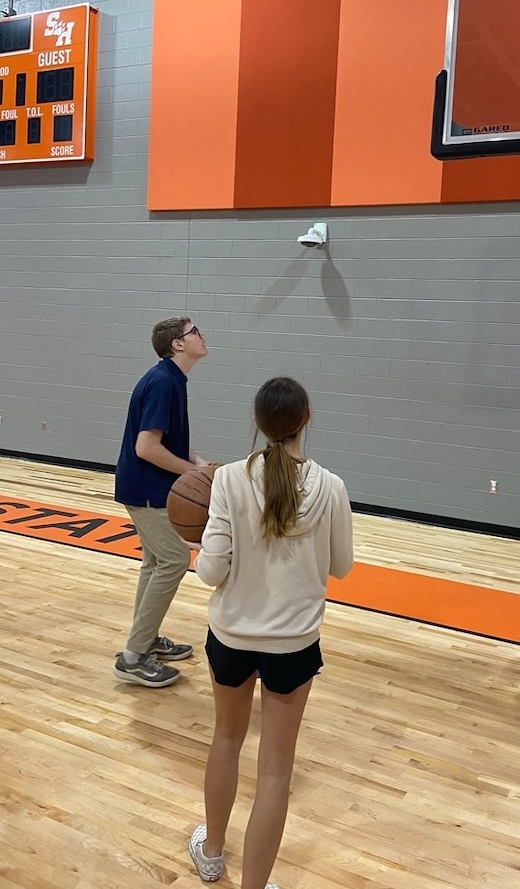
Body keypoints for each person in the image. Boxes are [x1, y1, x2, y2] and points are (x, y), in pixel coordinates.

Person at [189, 376, 354, 889]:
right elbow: (342, 567)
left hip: (233, 637)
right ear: (308, 419)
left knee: (226, 737)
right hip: (294, 645)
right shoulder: (331, 486)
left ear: (258, 424)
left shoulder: (229, 479)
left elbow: (210, 573)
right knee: (276, 770)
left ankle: (211, 855)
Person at [113, 316, 208, 688]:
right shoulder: (165, 382)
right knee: (173, 560)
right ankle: (133, 657)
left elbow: (163, 441)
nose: (202, 335)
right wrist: (191, 474)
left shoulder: (169, 379)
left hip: (145, 485)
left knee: (155, 563)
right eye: (195, 331)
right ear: (178, 344)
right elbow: (147, 447)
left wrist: (198, 463)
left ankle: (146, 639)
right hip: (147, 488)